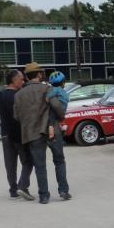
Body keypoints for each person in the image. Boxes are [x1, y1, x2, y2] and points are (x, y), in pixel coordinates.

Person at [14, 63, 64, 204]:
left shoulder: (19, 95)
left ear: (26, 77)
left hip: (32, 133)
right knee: (59, 160)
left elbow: (16, 116)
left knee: (39, 165)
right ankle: (63, 190)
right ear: (39, 74)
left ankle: (44, 196)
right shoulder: (47, 89)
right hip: (51, 129)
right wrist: (61, 117)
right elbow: (56, 105)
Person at [0, 70, 33, 200]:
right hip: (21, 134)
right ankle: (22, 186)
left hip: (6, 135)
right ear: (14, 80)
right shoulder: (21, 95)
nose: (23, 81)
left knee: (10, 164)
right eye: (21, 79)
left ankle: (13, 190)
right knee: (28, 161)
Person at [45, 71, 71, 201]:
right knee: (59, 160)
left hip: (50, 125)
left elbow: (50, 99)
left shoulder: (53, 91)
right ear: (63, 82)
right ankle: (63, 190)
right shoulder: (65, 93)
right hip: (57, 126)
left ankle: (43, 193)